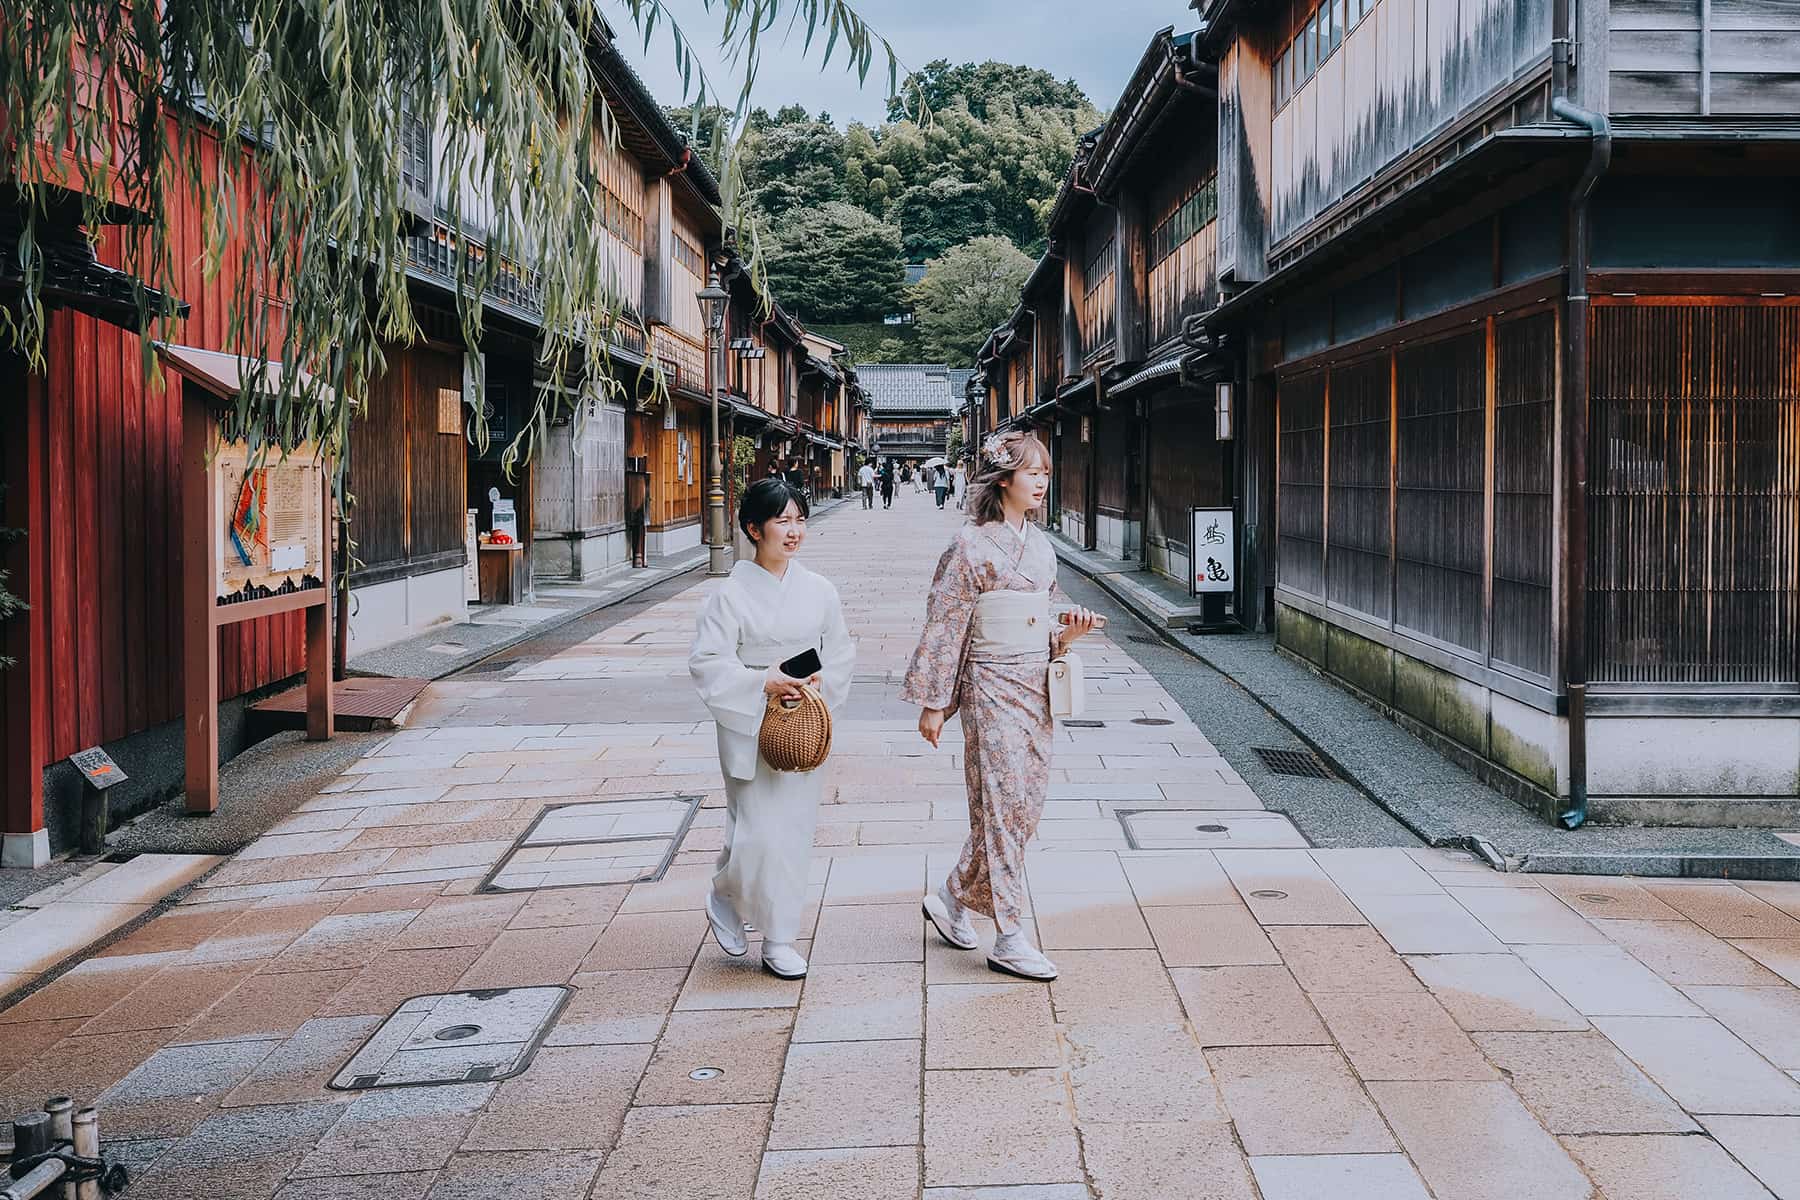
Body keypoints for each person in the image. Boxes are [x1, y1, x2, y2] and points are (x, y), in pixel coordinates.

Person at [901, 431, 1099, 981]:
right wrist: (936, 703)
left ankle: (951, 897)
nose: (1042, 481)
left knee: (1019, 808)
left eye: (1045, 473)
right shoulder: (969, 545)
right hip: (990, 686)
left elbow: (1046, 612)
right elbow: (945, 625)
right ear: (1003, 479)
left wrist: (1069, 630)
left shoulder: (1039, 544)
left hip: (1035, 684)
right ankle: (1010, 933)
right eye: (1032, 472)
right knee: (1005, 803)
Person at [690, 478, 856, 979]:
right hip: (749, 719)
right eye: (782, 520)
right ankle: (724, 892)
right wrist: (763, 682)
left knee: (793, 833)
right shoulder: (729, 596)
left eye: (799, 519)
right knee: (756, 834)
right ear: (752, 528)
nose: (794, 531)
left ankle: (779, 938)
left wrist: (820, 683)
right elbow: (708, 664)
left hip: (800, 720)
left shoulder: (819, 589)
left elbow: (841, 651)